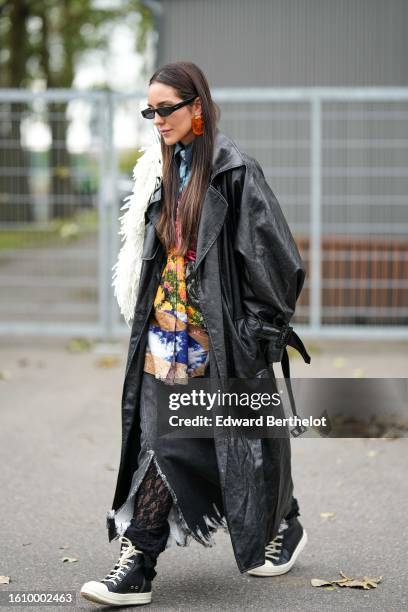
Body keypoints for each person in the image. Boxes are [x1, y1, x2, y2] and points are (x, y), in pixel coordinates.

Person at [80, 61, 310, 607]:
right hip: (167, 333)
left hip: (222, 338)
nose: (157, 119)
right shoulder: (160, 171)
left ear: (197, 107)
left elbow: (278, 260)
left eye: (166, 108)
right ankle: (142, 558)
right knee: (169, 443)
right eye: (149, 110)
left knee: (213, 443)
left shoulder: (235, 171)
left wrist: (256, 333)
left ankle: (146, 559)